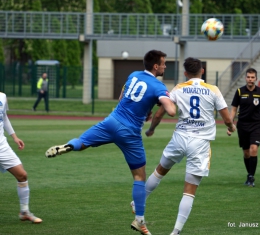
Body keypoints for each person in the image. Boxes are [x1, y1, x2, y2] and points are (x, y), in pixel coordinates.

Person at [45, 50, 176, 235]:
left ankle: (68, 145)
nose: (165, 66)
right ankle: (139, 220)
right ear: (156, 66)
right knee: (139, 177)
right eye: (163, 63)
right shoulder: (158, 86)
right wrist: (170, 101)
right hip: (129, 132)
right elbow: (170, 110)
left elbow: (123, 96)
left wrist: (142, 108)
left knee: (83, 142)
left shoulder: (133, 75)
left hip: (112, 120)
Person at [130, 57, 236, 235]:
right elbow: (226, 119)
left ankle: (137, 202)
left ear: (185, 73)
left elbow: (160, 113)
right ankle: (175, 232)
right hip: (200, 143)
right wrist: (231, 126)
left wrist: (151, 129)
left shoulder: (179, 88)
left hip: (179, 138)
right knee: (189, 190)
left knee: (160, 171)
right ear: (202, 71)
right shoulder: (213, 90)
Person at [0, 92, 42, 223]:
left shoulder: (2, 96)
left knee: (22, 175)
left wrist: (14, 137)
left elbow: (4, 117)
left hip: (2, 145)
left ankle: (24, 212)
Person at [230, 68, 260, 187]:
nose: (250, 79)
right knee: (246, 152)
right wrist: (230, 123)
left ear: (256, 78)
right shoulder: (239, 91)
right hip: (242, 125)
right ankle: (249, 174)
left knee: (253, 148)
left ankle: (251, 177)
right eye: (248, 77)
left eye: (252, 77)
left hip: (257, 125)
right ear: (245, 78)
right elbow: (233, 109)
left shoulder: (259, 92)